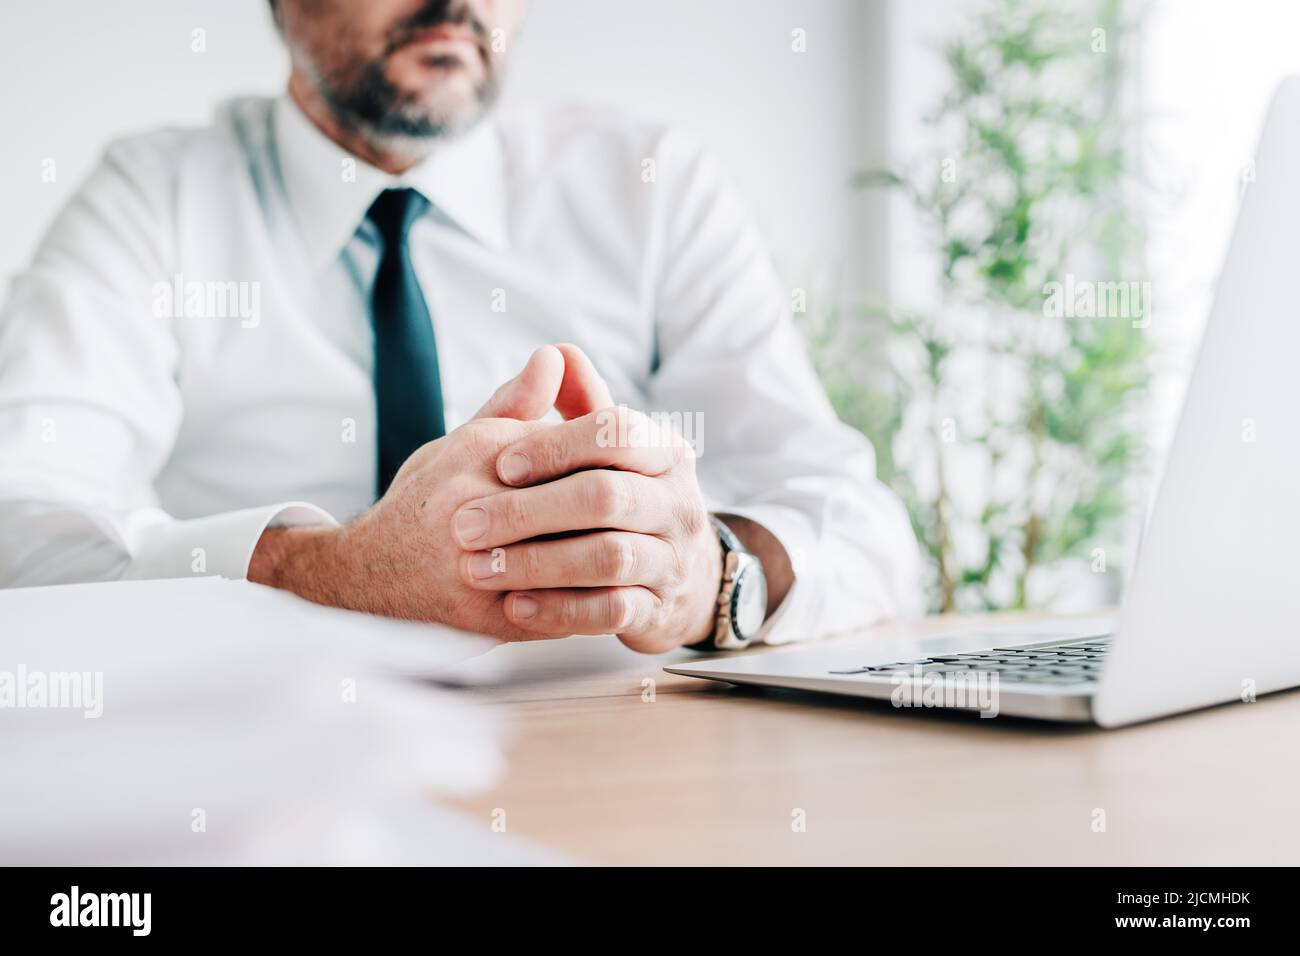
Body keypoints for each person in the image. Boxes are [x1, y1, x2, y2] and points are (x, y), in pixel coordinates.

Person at [0, 0, 921, 653]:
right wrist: (331, 573)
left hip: (614, 766)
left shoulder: (651, 186)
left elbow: (866, 533)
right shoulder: (153, 200)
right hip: (271, 780)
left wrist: (707, 581)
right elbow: (22, 530)